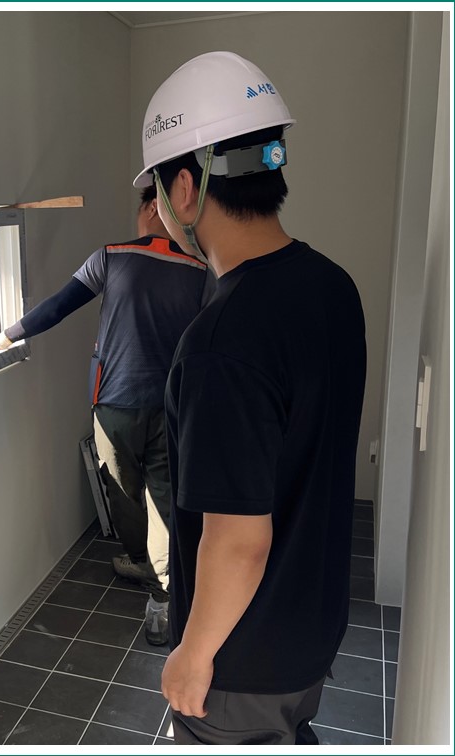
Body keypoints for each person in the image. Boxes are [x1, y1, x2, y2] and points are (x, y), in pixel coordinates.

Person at [132, 51, 367, 744]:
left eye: (156, 189)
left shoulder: (222, 340)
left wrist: (192, 654)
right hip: (311, 625)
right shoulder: (333, 285)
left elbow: (238, 541)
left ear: (184, 189)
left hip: (243, 658)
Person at [0, 186, 209, 645]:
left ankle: (141, 560)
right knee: (164, 497)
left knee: (123, 491)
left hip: (115, 402)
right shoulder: (201, 272)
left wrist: (5, 337)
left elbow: (59, 306)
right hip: (171, 404)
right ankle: (162, 601)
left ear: (150, 209)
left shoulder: (112, 256)